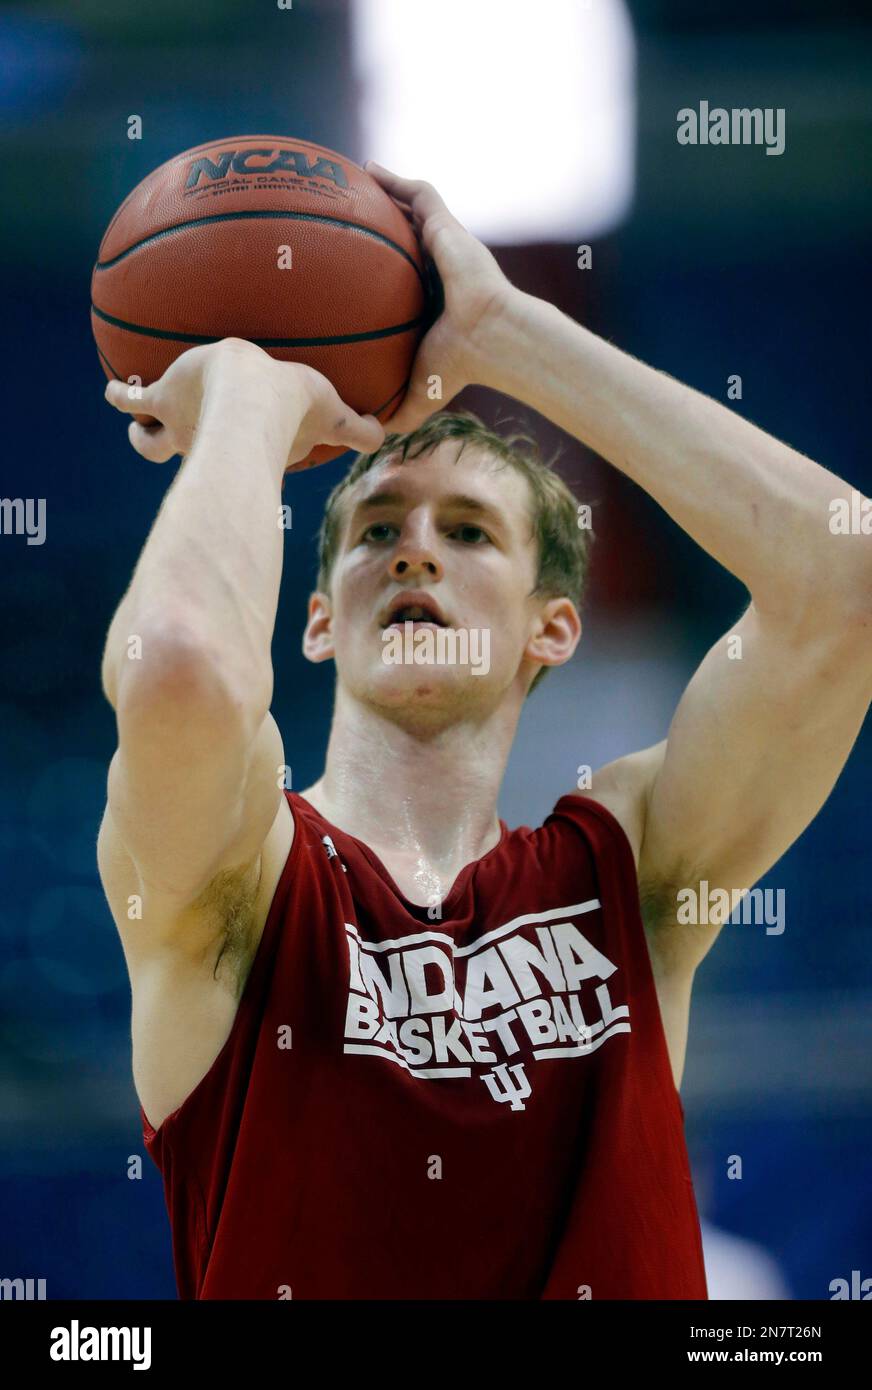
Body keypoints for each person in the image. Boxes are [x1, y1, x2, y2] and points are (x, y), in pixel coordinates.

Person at [97, 164, 871, 1300]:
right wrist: (252, 403)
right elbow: (178, 670)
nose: (414, 550)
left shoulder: (629, 867)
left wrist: (512, 333)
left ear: (550, 628)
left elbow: (843, 580)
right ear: (315, 621)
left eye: (467, 531)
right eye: (373, 533)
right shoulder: (243, 876)